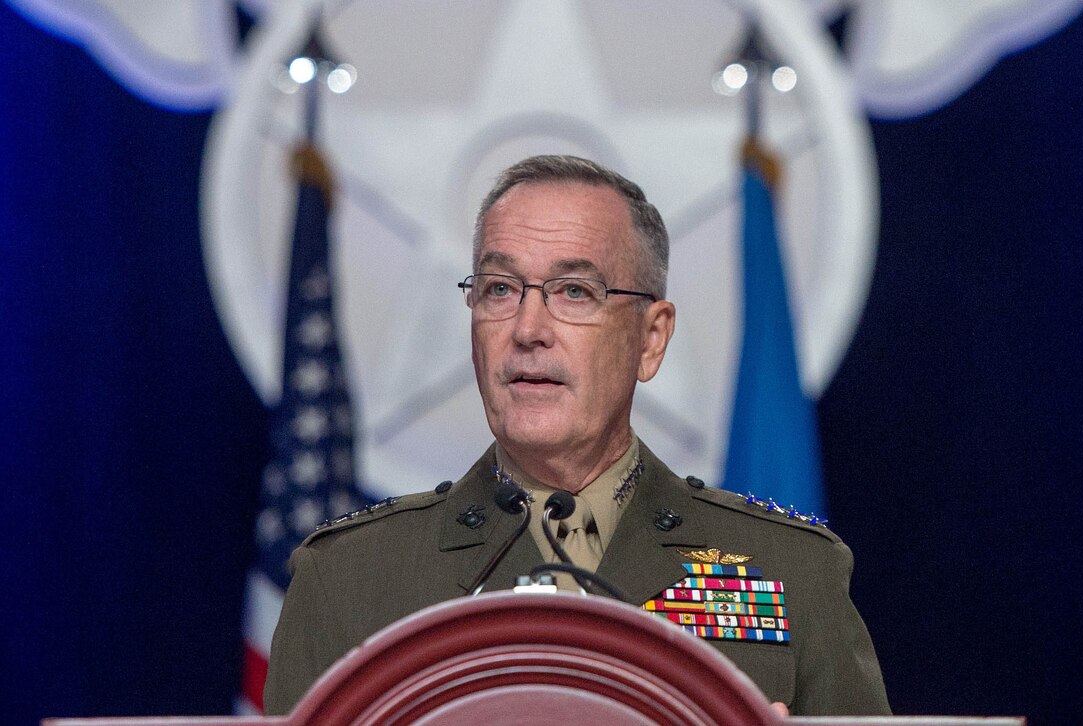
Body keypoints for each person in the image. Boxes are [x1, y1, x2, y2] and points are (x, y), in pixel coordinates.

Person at [263, 155, 890, 716]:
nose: (528, 328)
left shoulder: (790, 572)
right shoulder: (348, 579)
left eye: (574, 292)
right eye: (500, 289)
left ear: (651, 338)